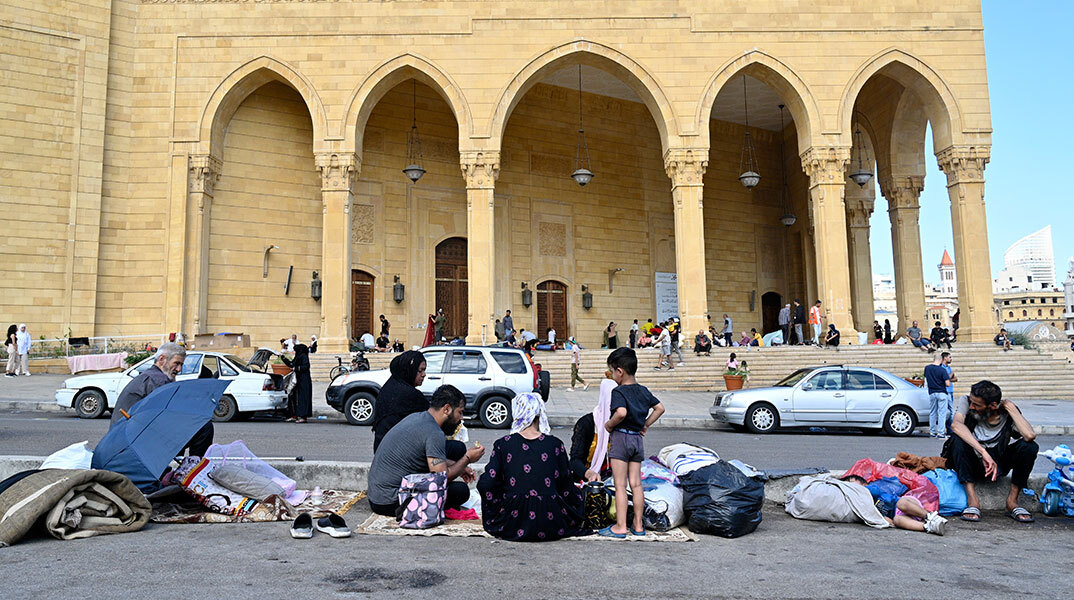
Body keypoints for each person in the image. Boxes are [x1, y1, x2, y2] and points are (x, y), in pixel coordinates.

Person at [478, 393, 589, 542]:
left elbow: (487, 484)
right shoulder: (555, 444)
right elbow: (566, 486)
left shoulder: (503, 444)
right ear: (539, 413)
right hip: (551, 521)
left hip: (512, 521)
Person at [367, 385, 484, 517]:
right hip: (390, 502)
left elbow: (430, 458)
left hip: (376, 497)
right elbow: (441, 478)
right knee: (460, 491)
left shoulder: (418, 417)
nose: (461, 418)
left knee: (456, 449)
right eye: (460, 412)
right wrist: (467, 458)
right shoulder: (434, 432)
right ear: (447, 409)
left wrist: (461, 468)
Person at [946, 381, 1038, 524]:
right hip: (972, 460)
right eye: (972, 402)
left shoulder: (1007, 413)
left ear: (993, 406)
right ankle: (973, 501)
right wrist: (983, 452)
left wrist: (1011, 408)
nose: (971, 407)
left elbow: (1029, 435)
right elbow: (956, 425)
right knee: (957, 439)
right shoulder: (966, 401)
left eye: (977, 405)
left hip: (997, 464)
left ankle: (1012, 502)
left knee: (1030, 447)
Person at [599, 348, 665, 537]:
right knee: (636, 484)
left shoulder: (619, 391)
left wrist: (609, 425)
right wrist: (645, 425)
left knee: (620, 485)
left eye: (612, 371)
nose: (612, 375)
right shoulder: (643, 391)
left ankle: (620, 527)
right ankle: (638, 525)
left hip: (621, 438)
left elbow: (621, 413)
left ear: (620, 371)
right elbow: (660, 408)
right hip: (637, 439)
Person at [109, 343, 214, 456]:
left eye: (181, 365)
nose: (179, 369)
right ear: (162, 359)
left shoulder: (151, 376)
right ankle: (194, 467)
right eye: (176, 363)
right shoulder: (158, 380)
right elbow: (171, 415)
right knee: (204, 427)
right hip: (134, 440)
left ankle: (179, 467)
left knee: (179, 430)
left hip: (129, 436)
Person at [840, 474, 947, 536]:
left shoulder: (872, 489)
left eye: (852, 483)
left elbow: (875, 491)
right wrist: (883, 520)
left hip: (907, 505)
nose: (851, 487)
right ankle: (929, 526)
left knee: (902, 503)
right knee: (897, 520)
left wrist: (860, 489)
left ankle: (929, 516)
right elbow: (872, 515)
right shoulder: (860, 505)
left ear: (865, 484)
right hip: (900, 516)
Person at [371, 350, 428, 452]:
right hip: (396, 454)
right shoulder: (409, 394)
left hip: (381, 450)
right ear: (409, 370)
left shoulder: (390, 386)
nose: (424, 374)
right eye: (420, 371)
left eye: (424, 370)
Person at [569, 377, 615, 482]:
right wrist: (589, 473)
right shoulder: (586, 423)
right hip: (589, 480)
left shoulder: (622, 423)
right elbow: (575, 461)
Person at [281, 343, 312, 424]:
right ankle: (294, 415)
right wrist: (283, 358)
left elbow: (306, 366)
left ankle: (303, 416)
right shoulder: (298, 356)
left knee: (302, 398)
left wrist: (296, 368)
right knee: (293, 397)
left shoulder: (304, 356)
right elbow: (291, 364)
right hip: (297, 380)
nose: (294, 352)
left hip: (304, 381)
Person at [924, 353, 951, 438]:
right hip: (941, 392)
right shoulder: (942, 370)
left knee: (932, 413)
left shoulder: (927, 368)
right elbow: (948, 384)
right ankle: (940, 433)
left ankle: (932, 432)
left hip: (932, 392)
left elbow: (926, 380)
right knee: (942, 413)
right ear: (941, 360)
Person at [942, 352, 958, 433]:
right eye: (949, 357)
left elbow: (955, 379)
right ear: (945, 358)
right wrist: (950, 375)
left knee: (950, 410)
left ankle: (949, 427)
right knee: (951, 410)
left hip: (951, 390)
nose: (951, 359)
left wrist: (949, 378)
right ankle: (950, 428)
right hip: (946, 391)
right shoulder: (942, 367)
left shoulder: (949, 368)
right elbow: (945, 379)